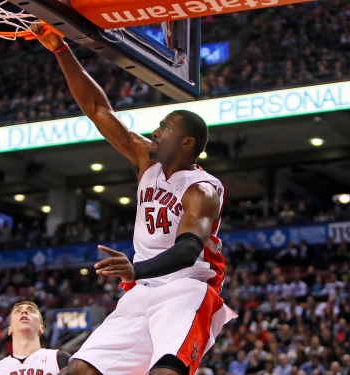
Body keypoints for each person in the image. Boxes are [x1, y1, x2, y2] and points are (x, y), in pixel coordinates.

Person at [31, 24, 236, 375]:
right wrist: (61, 50)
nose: (155, 132)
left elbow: (188, 249)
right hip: (141, 290)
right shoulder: (146, 160)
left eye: (166, 128)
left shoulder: (201, 189)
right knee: (77, 371)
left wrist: (135, 268)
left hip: (185, 288)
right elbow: (98, 110)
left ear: (187, 143)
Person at [0, 301, 70, 375]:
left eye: (31, 311)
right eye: (17, 311)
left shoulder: (60, 359)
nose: (24, 311)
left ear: (41, 328)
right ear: (10, 329)